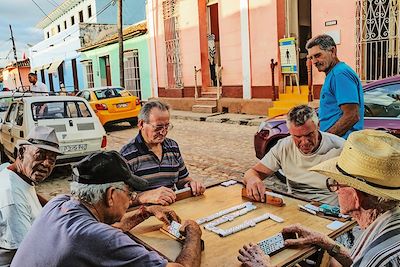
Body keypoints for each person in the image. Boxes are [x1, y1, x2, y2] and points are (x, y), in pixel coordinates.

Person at [11, 151, 203, 267]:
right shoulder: (98, 237)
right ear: (111, 195)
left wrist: (145, 212)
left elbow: (99, 235)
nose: (130, 199)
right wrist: (193, 234)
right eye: (129, 193)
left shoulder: (58, 203)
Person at [238, 129, 400, 267]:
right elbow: (359, 261)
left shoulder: (381, 258)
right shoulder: (389, 223)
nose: (334, 190)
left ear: (355, 196)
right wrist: (326, 242)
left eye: (336, 184)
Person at [243, 105, 344, 205]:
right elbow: (253, 172)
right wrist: (253, 179)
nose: (304, 142)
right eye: (297, 137)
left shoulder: (340, 147)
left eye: (309, 134)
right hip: (295, 206)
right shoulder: (283, 146)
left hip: (329, 210)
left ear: (318, 125)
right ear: (290, 132)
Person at [120, 100, 205, 206]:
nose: (163, 132)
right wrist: (145, 197)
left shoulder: (172, 147)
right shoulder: (127, 155)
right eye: (158, 127)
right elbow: (119, 199)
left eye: (167, 127)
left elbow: (182, 180)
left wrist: (191, 184)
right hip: (144, 215)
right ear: (141, 124)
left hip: (173, 207)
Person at [0, 126, 61, 266]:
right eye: (39, 155)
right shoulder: (12, 195)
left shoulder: (16, 174)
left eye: (52, 159)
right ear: (21, 152)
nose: (46, 164)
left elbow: (30, 194)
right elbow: (27, 255)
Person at [306, 34, 364, 139]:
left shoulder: (340, 74)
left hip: (340, 145)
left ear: (332, 51)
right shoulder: (334, 73)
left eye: (318, 55)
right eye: (311, 57)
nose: (314, 61)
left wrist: (325, 140)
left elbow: (352, 115)